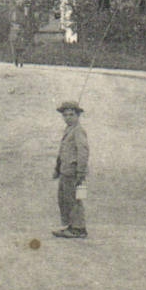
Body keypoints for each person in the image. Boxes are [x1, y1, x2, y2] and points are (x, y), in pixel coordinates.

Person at [51, 100, 89, 239]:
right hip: (65, 171)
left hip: (74, 173)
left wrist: (81, 172)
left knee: (75, 199)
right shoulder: (69, 129)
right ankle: (70, 225)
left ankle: (78, 229)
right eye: (65, 115)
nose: (68, 118)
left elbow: (83, 152)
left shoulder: (79, 131)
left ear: (78, 115)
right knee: (65, 199)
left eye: (71, 115)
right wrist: (57, 168)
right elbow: (63, 151)